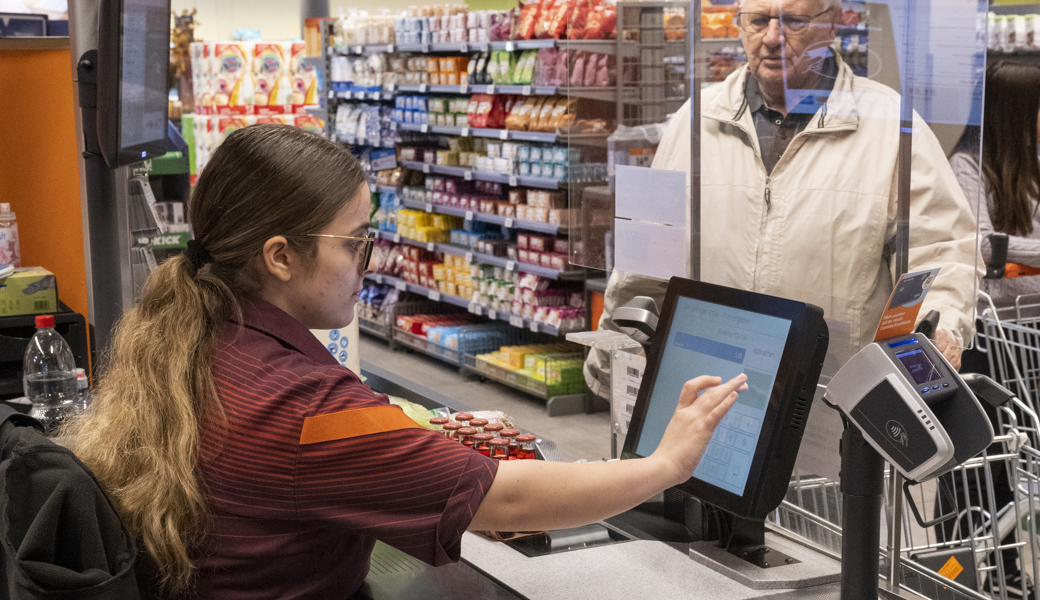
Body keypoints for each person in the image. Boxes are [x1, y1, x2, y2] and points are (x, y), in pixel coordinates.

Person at [63, 125, 748, 599]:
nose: (369, 262)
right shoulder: (306, 411)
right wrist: (665, 465)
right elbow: (503, 496)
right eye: (355, 242)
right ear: (279, 256)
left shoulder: (197, 339)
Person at [585, 0, 981, 398]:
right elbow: (647, 259)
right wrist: (613, 367)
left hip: (832, 396)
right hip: (708, 392)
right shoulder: (696, 119)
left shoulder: (892, 126)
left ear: (834, 23)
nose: (772, 38)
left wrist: (940, 327)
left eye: (794, 21)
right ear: (740, 24)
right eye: (759, 21)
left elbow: (943, 251)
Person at [950, 61, 1040, 305]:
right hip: (997, 322)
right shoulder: (966, 166)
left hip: (1030, 314)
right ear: (1017, 112)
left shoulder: (1033, 164)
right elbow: (982, 245)